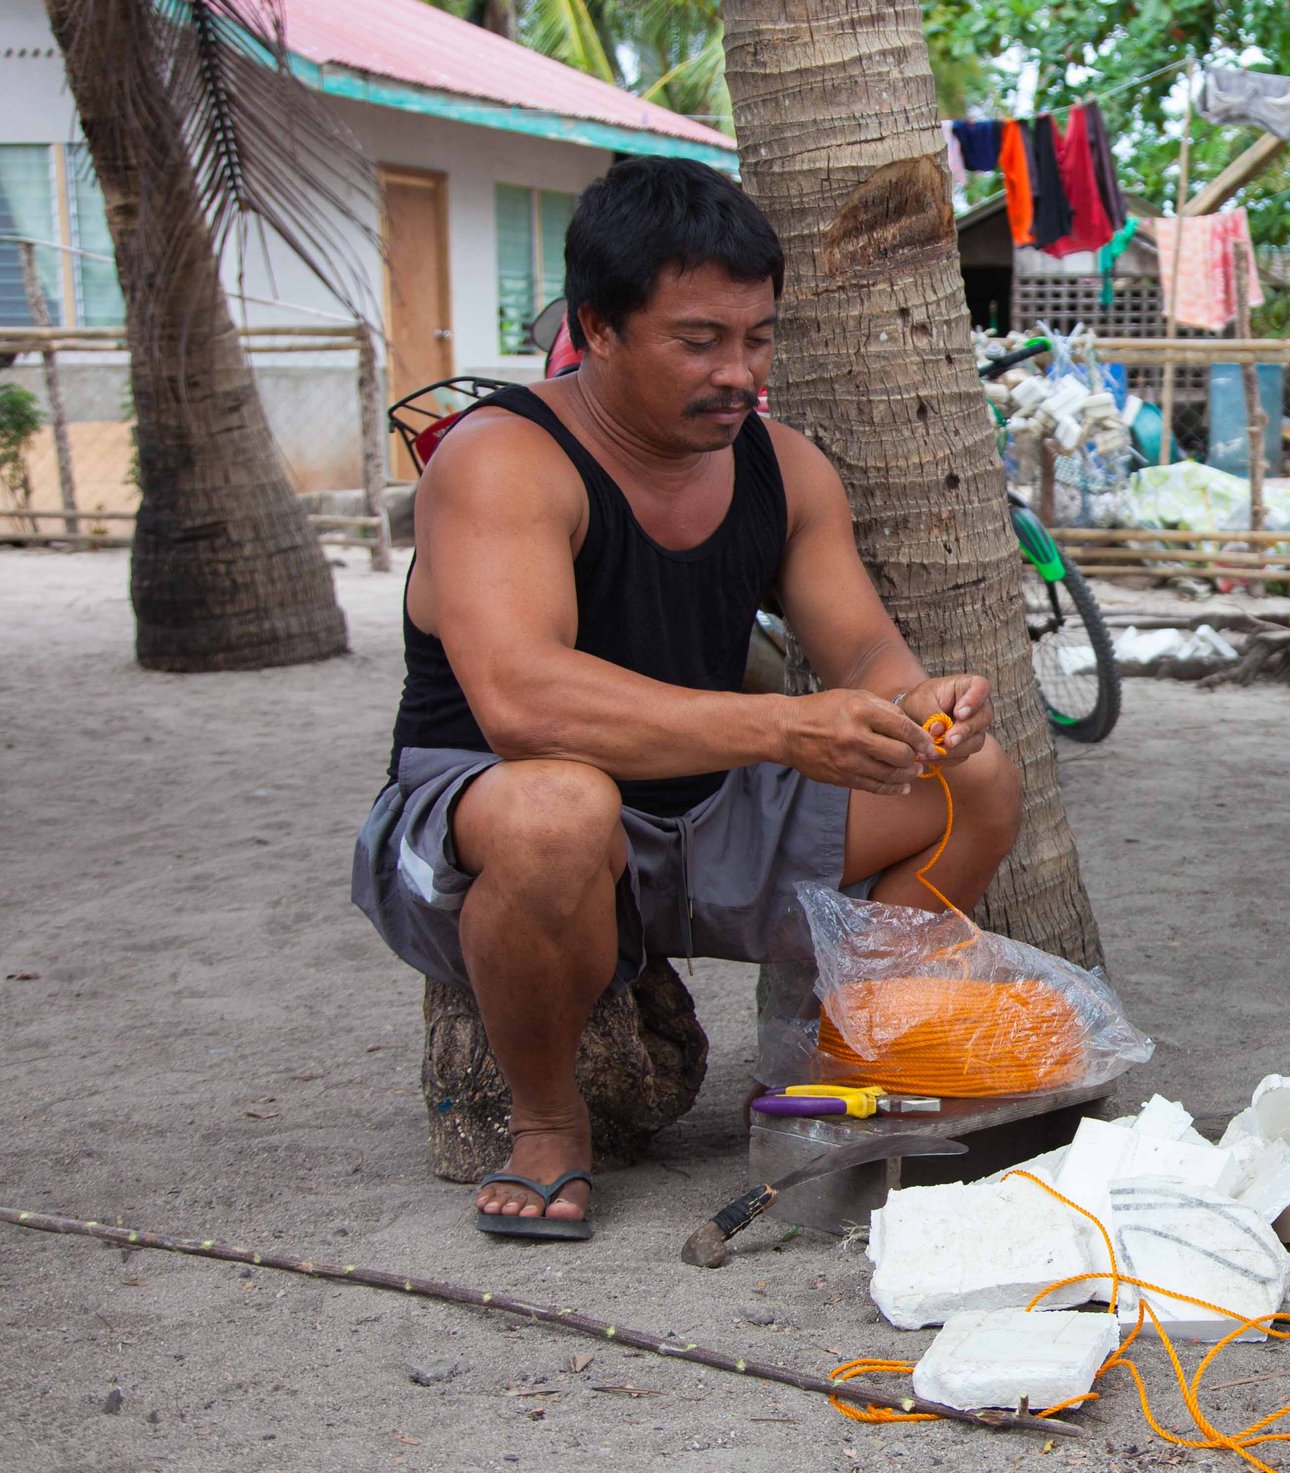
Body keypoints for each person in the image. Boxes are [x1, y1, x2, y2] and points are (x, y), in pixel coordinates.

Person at [353, 157, 1020, 1240]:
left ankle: (832, 1061)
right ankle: (547, 1121)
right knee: (556, 806)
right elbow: (524, 702)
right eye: (698, 340)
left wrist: (924, 705)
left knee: (969, 783)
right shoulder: (500, 460)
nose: (739, 373)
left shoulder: (784, 465)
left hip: (703, 807)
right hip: (490, 809)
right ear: (599, 328)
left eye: (757, 338)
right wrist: (782, 727)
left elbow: (860, 653)